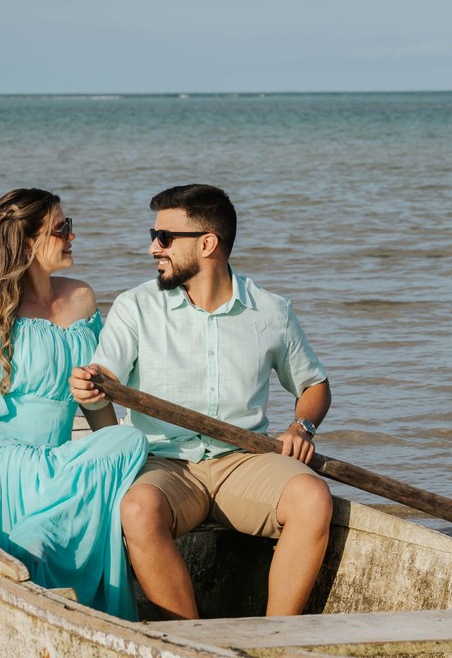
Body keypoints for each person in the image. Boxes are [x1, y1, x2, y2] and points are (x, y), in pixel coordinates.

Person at [70, 184, 333, 621]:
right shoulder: (135, 307)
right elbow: (106, 381)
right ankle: (191, 641)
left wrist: (301, 427)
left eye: (164, 237)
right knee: (137, 509)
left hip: (245, 459)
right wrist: (91, 391)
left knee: (313, 498)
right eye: (153, 235)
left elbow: (314, 385)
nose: (153, 248)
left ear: (207, 244)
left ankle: (278, 638)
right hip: (163, 463)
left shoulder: (271, 312)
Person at [0, 188, 149, 620]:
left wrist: (117, 457)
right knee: (118, 454)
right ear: (28, 241)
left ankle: (40, 537)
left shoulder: (81, 298)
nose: (72, 236)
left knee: (131, 441)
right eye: (61, 229)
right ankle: (35, 541)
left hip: (55, 458)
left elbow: (93, 395)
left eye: (69, 226)